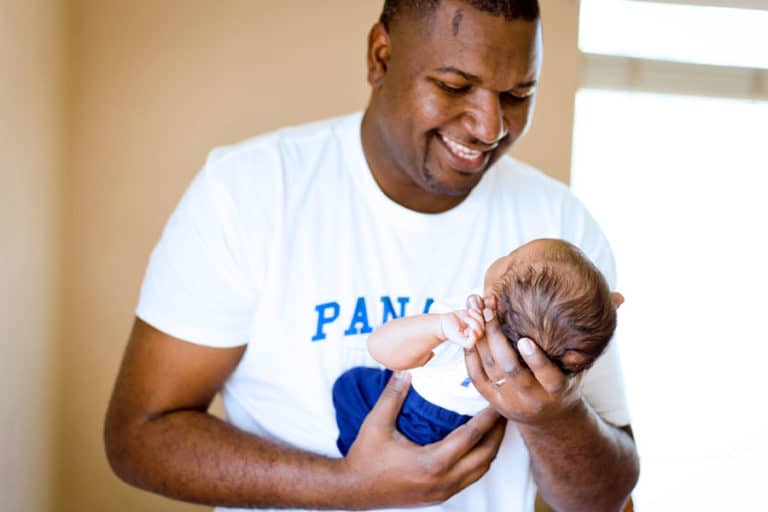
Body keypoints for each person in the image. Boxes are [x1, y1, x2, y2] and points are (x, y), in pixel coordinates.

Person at [104, 1, 640, 511]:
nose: (489, 127)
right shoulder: (247, 192)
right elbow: (140, 435)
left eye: (518, 94)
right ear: (380, 57)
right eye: (456, 86)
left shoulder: (562, 236)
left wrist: (555, 414)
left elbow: (601, 501)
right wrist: (347, 486)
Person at [333, 238, 618, 455]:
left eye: (510, 258)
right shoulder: (543, 359)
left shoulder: (466, 325)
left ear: (496, 298)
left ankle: (354, 451)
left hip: (413, 412)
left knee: (349, 386)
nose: (503, 255)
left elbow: (380, 347)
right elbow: (571, 336)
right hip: (472, 429)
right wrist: (597, 320)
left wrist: (438, 327)